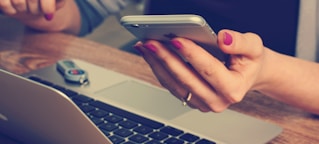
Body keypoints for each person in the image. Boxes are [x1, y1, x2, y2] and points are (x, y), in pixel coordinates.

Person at [1, 0, 318, 115]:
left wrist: (267, 71)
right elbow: (80, 11)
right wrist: (41, 7)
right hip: (151, 89)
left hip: (285, 117)